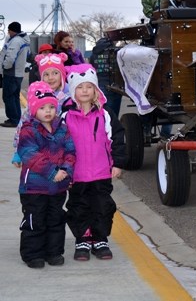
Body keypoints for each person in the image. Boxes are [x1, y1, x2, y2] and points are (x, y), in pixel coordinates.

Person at [63, 63, 125, 261]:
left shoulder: (105, 114)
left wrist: (118, 163)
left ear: (95, 89)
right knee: (78, 206)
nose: (84, 91)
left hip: (101, 172)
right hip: (76, 173)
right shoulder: (65, 117)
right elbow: (59, 144)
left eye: (89, 87)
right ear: (73, 90)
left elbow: (117, 137)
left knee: (102, 206)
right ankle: (82, 238)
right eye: (80, 87)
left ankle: (100, 238)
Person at [17, 81, 76, 268]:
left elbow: (70, 151)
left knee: (56, 220)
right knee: (35, 220)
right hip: (34, 188)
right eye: (42, 107)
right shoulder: (28, 129)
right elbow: (30, 155)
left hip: (58, 187)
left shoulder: (62, 127)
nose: (48, 111)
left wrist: (66, 170)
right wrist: (52, 172)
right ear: (34, 109)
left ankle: (54, 252)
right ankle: (33, 254)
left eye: (51, 106)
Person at [12, 52, 71, 167]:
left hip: (64, 150)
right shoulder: (36, 97)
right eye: (46, 74)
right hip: (39, 149)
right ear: (41, 76)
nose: (51, 78)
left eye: (55, 73)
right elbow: (23, 124)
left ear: (62, 74)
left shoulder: (71, 97)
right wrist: (18, 150)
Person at [1, 21, 31, 127]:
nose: (8, 32)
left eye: (9, 30)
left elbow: (10, 58)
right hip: (18, 73)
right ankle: (17, 118)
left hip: (11, 73)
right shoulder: (24, 41)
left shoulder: (15, 41)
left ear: (12, 30)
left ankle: (13, 120)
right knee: (14, 96)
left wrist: (4, 66)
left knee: (8, 96)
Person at [90, 33, 122, 117]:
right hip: (114, 84)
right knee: (113, 115)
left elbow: (92, 67)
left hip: (100, 83)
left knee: (102, 111)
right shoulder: (115, 51)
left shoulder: (95, 51)